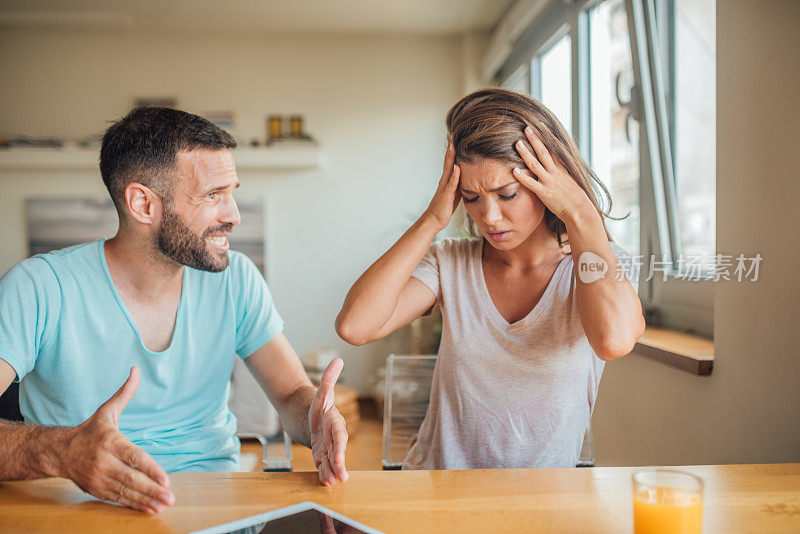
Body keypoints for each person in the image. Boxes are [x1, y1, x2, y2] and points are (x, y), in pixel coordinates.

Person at [0, 107, 349, 514]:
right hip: (79, 511)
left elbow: (290, 394)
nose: (233, 215)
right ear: (143, 204)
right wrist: (61, 451)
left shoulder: (237, 279)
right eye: (212, 195)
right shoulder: (38, 287)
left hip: (216, 510)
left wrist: (317, 418)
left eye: (232, 191)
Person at [336, 88, 645, 470]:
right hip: (436, 495)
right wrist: (433, 219)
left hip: (540, 508)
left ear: (548, 184)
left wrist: (580, 209)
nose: (490, 217)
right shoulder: (451, 263)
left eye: (507, 194)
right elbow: (355, 326)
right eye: (471, 197)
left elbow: (613, 341)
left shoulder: (597, 267)